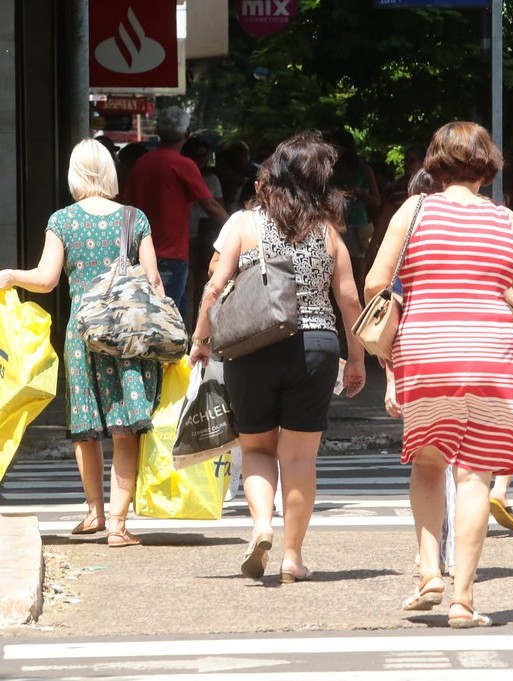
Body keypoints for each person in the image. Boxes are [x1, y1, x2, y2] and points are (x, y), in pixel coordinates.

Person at [366, 121, 513, 628]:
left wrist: (395, 346)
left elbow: (375, 284)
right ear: (487, 164)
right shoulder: (506, 222)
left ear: (436, 161)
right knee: (475, 474)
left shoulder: (414, 210)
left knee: (428, 463)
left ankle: (429, 572)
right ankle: (463, 600)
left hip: (425, 350)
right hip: (492, 352)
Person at [190, 130, 366, 583]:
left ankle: (262, 527)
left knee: (256, 448)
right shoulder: (328, 232)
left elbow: (214, 286)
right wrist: (359, 358)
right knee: (300, 458)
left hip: (253, 347)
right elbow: (349, 299)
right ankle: (292, 557)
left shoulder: (247, 225)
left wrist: (201, 337)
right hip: (316, 347)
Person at [0, 138, 164, 547]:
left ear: (74, 174)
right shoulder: (134, 218)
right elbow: (154, 282)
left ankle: (94, 511)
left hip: (82, 334)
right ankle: (119, 525)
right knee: (127, 428)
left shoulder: (62, 220)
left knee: (86, 426)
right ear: (109, 172)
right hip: (127, 334)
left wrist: (11, 276)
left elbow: (47, 278)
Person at [123, 106, 229, 318]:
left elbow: (127, 208)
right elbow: (209, 204)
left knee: (162, 312)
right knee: (168, 317)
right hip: (172, 255)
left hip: (142, 253)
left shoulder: (142, 163)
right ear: (186, 134)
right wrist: (235, 226)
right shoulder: (184, 165)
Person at [181, 135, 225, 329]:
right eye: (198, 155)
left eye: (205, 156)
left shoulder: (211, 178)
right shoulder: (181, 172)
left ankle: (200, 329)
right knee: (187, 285)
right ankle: (189, 330)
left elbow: (216, 205)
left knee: (202, 284)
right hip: (185, 233)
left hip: (204, 234)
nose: (202, 160)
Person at [329, 129, 381, 296]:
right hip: (335, 227)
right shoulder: (329, 172)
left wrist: (359, 193)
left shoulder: (363, 170)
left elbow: (377, 201)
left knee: (357, 281)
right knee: (334, 284)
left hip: (359, 227)